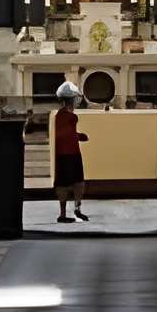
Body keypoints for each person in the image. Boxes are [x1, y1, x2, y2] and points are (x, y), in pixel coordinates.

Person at [51, 85, 89, 223]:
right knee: (78, 182)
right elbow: (67, 134)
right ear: (72, 99)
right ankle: (76, 210)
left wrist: (77, 136)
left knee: (64, 183)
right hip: (71, 153)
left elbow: (65, 134)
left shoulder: (58, 116)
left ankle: (64, 213)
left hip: (62, 153)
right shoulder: (71, 117)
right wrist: (79, 136)